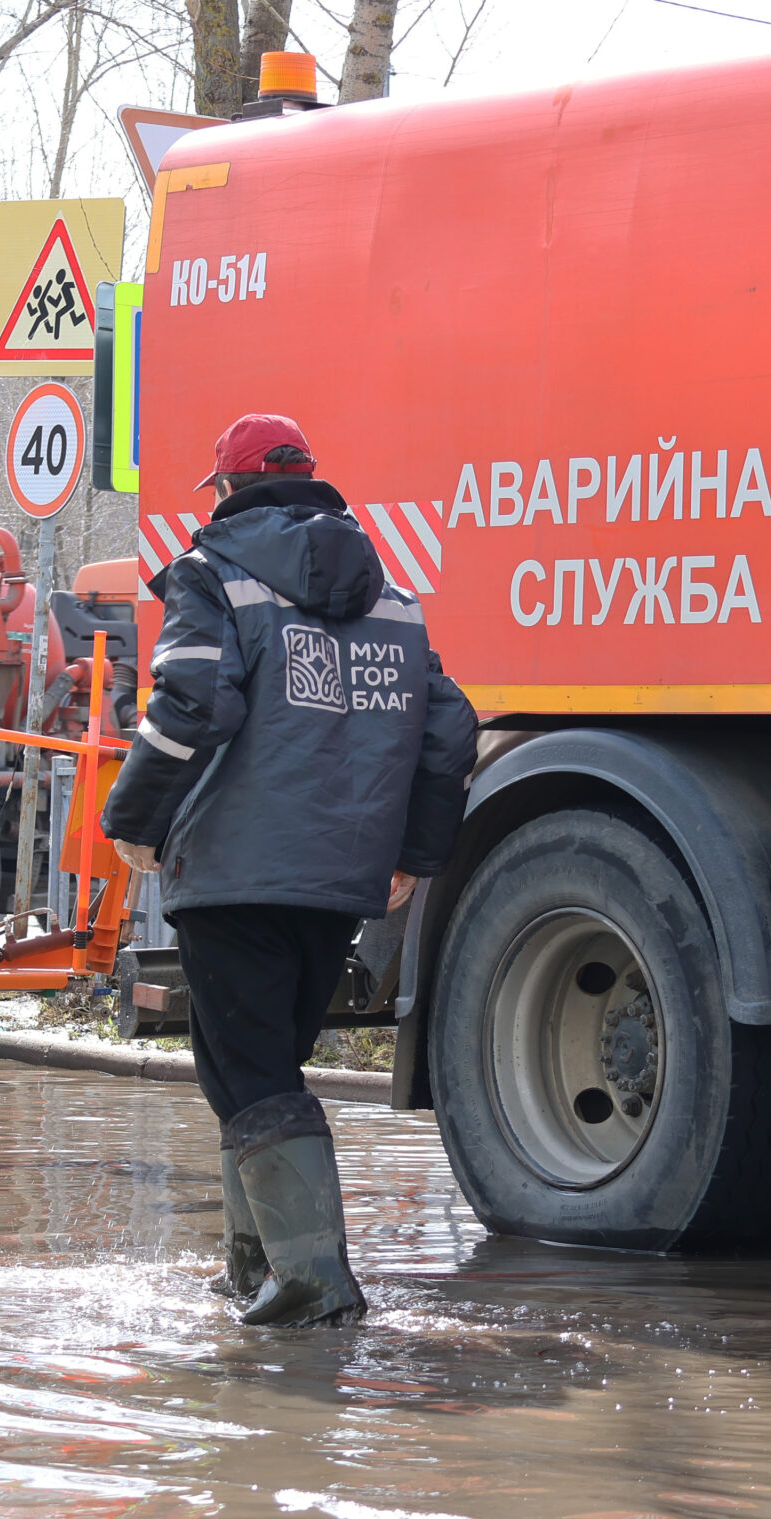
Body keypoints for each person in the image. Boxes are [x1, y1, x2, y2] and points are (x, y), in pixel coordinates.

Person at [103, 414, 477, 1328]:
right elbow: (452, 727)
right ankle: (255, 1273)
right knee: (264, 1067)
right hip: (339, 877)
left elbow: (191, 701)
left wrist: (133, 818)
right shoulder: (391, 597)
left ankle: (311, 1284)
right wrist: (412, 855)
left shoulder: (211, 575)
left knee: (250, 1076)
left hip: (233, 865)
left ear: (227, 492)